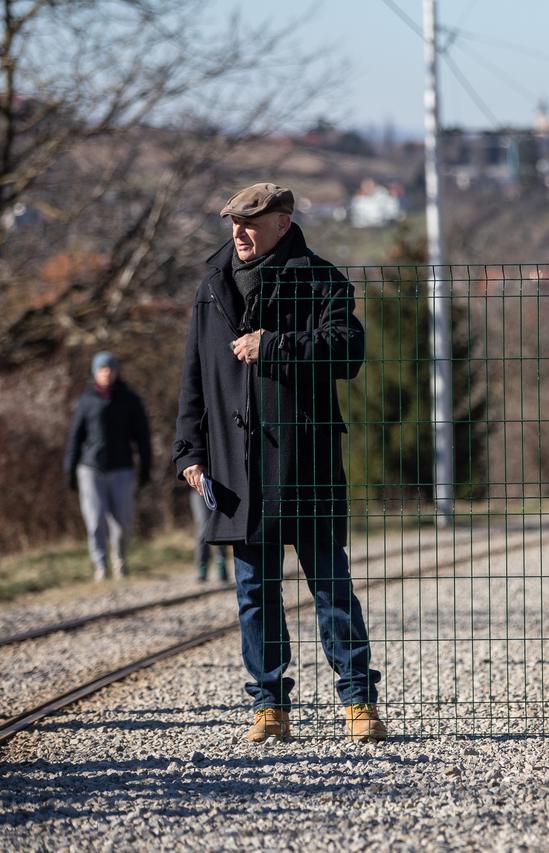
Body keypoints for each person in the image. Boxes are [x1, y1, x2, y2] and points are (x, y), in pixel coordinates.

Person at [172, 182, 385, 743]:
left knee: (331, 586)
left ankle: (359, 702)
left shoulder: (321, 279)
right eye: (234, 225)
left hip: (305, 458)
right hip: (237, 466)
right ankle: (269, 707)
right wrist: (189, 452)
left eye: (252, 224)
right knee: (254, 592)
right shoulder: (211, 288)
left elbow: (348, 351)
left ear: (283, 224)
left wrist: (275, 345)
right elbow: (194, 379)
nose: (239, 234)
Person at [64, 352, 151, 581]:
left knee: (122, 522)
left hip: (122, 468)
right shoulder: (86, 401)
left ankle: (120, 561)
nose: (107, 373)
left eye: (111, 368)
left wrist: (146, 467)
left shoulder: (130, 400)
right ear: (95, 372)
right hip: (91, 469)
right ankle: (100, 566)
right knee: (95, 521)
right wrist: (69, 469)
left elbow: (142, 436)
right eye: (102, 369)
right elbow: (75, 437)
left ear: (117, 371)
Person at [189, 489, 230, 582]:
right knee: (203, 526)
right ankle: (202, 565)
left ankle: (221, 562)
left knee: (219, 524)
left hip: (219, 485)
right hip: (198, 487)